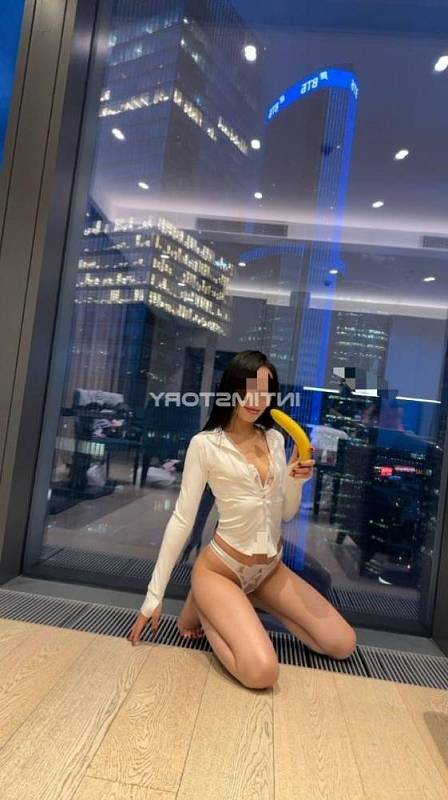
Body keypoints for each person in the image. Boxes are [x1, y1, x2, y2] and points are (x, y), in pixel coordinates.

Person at [129, 351, 356, 689]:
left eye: (264, 392)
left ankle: (239, 600)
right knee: (261, 672)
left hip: (269, 570)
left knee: (342, 644)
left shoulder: (275, 439)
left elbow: (284, 514)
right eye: (247, 389)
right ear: (230, 390)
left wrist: (296, 481)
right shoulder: (206, 444)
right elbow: (181, 520)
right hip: (222, 570)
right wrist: (153, 596)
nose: (255, 400)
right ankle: (205, 602)